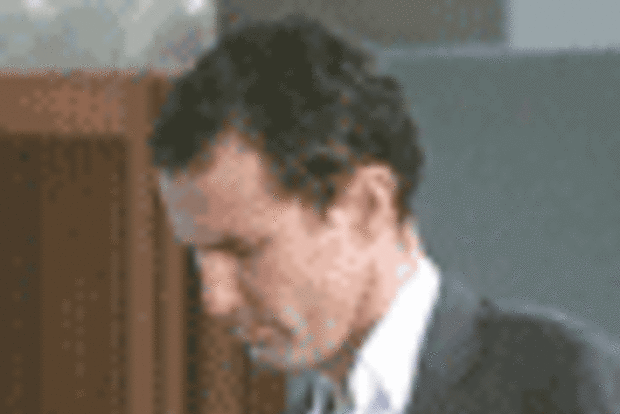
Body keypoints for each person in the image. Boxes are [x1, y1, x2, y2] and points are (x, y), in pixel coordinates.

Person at [148, 13, 620, 414]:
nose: (215, 298)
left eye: (243, 250)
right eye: (200, 256)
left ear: (366, 206)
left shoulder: (560, 385)